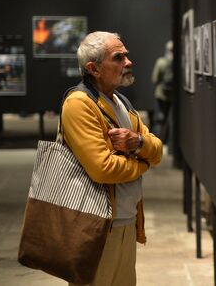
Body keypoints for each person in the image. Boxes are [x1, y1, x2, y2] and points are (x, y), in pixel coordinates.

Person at [62, 31, 163, 286]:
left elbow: (157, 149)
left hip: (126, 220)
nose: (128, 62)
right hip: (95, 225)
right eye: (118, 57)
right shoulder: (79, 104)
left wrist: (138, 142)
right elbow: (103, 169)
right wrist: (143, 162)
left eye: (126, 55)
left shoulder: (121, 101)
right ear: (93, 68)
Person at [150, 40, 173, 143]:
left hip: (161, 94)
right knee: (171, 120)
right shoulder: (177, 63)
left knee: (160, 119)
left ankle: (156, 143)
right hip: (172, 95)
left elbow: (154, 79)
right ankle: (169, 143)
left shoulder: (161, 62)